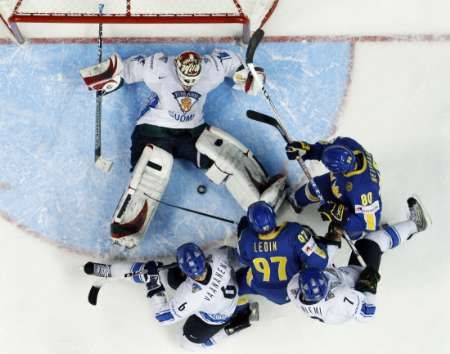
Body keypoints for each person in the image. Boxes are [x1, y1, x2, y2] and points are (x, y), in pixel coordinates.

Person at [81, 49, 286, 247]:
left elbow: (233, 64)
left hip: (191, 132)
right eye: (185, 79)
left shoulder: (210, 68)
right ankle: (127, 225)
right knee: (149, 173)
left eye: (193, 80)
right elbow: (128, 70)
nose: (189, 85)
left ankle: (259, 199)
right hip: (154, 129)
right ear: (177, 68)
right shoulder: (159, 66)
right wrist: (110, 75)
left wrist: (248, 76)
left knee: (220, 157)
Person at [84, 242, 258, 350]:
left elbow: (163, 317)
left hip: (213, 318)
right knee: (158, 274)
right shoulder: (219, 255)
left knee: (186, 345)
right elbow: (241, 258)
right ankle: (109, 271)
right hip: (223, 298)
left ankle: (231, 328)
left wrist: (153, 285)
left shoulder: (189, 295)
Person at [287, 196, 429, 324]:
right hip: (356, 283)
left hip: (341, 277)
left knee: (359, 245)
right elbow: (368, 313)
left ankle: (391, 236)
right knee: (373, 241)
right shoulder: (341, 299)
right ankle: (416, 225)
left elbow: (323, 264)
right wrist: (369, 287)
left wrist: (334, 237)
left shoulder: (293, 286)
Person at [236, 200, 342, 305]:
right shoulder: (293, 232)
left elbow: (243, 260)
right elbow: (320, 262)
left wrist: (261, 251)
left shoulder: (246, 237)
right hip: (292, 290)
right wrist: (319, 244)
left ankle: (234, 299)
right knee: (311, 245)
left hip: (261, 287)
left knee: (237, 281)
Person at [285, 136, 382, 240]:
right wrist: (308, 149)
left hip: (354, 205)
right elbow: (326, 148)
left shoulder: (364, 190)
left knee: (350, 229)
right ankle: (296, 200)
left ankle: (355, 235)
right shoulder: (348, 144)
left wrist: (343, 216)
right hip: (340, 184)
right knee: (314, 187)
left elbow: (370, 223)